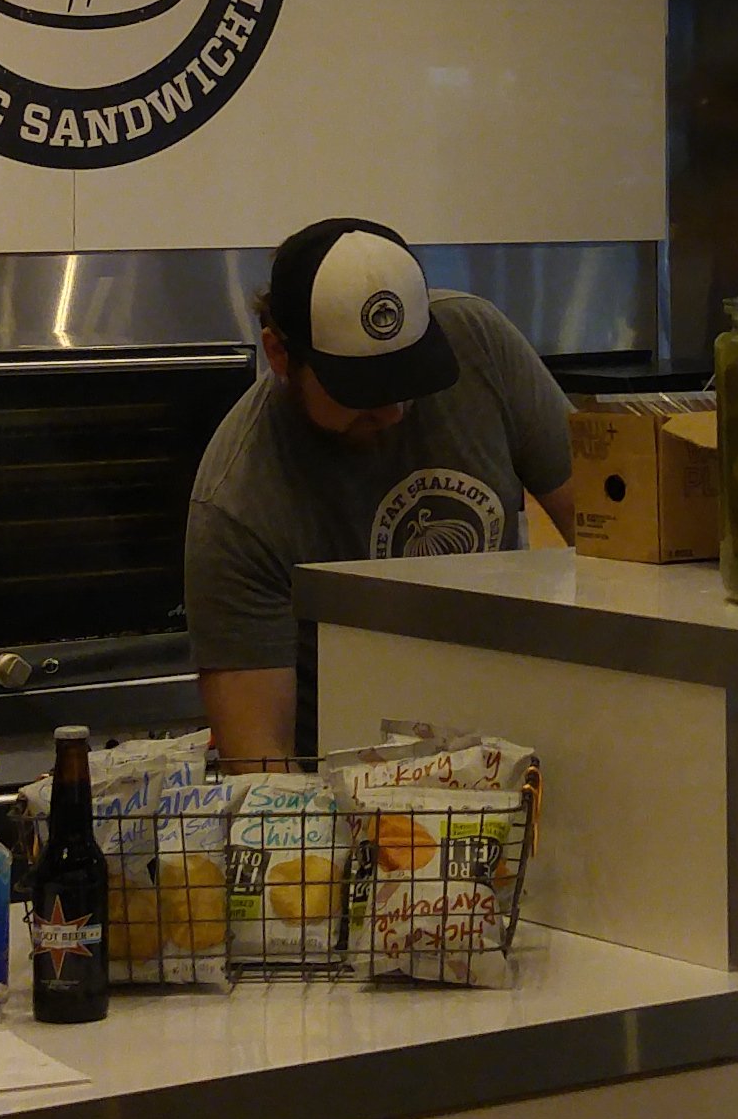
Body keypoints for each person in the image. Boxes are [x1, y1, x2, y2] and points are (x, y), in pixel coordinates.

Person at [183, 218, 574, 765]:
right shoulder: (238, 504)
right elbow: (259, 761)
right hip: (348, 782)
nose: (392, 412)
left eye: (409, 378)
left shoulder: (479, 344)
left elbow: (615, 530)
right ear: (279, 355)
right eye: (362, 391)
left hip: (515, 745)